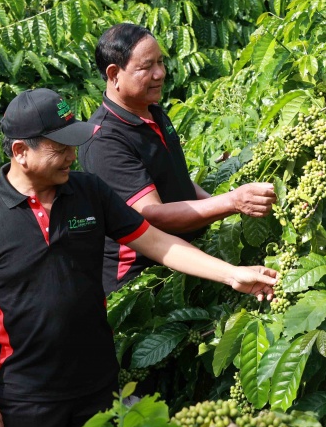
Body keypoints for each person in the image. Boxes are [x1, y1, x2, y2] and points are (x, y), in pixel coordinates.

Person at [0, 88, 277, 427]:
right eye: (60, 147)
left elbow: (159, 244)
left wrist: (233, 275)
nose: (73, 155)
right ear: (20, 151)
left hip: (96, 388)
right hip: (27, 394)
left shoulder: (90, 193)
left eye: (75, 142)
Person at [79, 23, 276, 293]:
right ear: (114, 74)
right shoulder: (103, 141)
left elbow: (175, 177)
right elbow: (154, 216)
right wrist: (231, 202)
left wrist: (224, 208)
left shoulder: (153, 111)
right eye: (146, 67)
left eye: (160, 62)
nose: (160, 73)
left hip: (192, 260)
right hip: (144, 282)